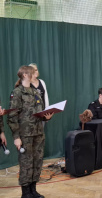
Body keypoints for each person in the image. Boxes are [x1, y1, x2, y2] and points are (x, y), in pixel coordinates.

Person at [7, 65, 54, 198]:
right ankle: (26, 193)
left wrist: (47, 117)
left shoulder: (35, 92)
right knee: (26, 163)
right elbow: (12, 117)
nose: (35, 74)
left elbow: (39, 112)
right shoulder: (17, 93)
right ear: (25, 75)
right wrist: (16, 137)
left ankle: (33, 190)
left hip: (38, 133)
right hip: (25, 135)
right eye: (32, 73)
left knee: (37, 162)